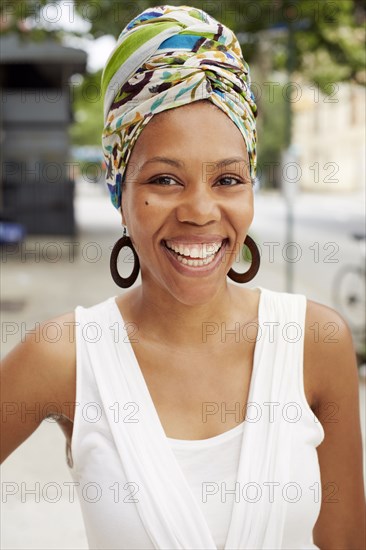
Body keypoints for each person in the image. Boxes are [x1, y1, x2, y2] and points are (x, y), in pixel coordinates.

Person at [1, 5, 365, 550]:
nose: (200, 210)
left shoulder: (316, 342)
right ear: (119, 191)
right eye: (165, 179)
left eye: (227, 178)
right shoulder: (67, 355)